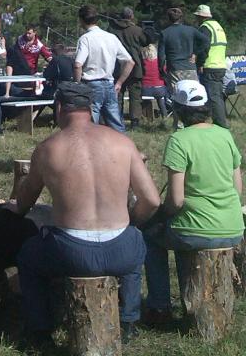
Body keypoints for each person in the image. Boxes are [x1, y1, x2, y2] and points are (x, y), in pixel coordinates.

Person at [15, 82, 161, 347]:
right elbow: (152, 200)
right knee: (135, 247)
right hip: (121, 250)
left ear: (60, 107)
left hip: (70, 252)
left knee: (28, 257)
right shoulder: (123, 143)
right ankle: (128, 321)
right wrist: (131, 223)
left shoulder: (48, 148)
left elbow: (23, 204)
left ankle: (40, 330)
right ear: (91, 108)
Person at [143, 79, 243, 325]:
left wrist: (160, 215)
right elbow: (238, 188)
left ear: (178, 110)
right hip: (232, 227)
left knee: (150, 237)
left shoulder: (179, 140)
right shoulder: (225, 134)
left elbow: (176, 201)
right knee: (177, 234)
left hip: (195, 229)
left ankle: (159, 306)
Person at [73, 4, 135, 132]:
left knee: (90, 125)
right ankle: (122, 143)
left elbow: (78, 64)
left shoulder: (85, 39)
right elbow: (130, 62)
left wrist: (77, 85)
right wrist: (119, 83)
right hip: (109, 83)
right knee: (116, 123)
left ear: (81, 20)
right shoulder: (111, 37)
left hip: (91, 84)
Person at [158, 7, 209, 127]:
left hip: (175, 69)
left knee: (178, 98)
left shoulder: (165, 33)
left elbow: (161, 56)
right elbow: (206, 41)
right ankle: (196, 121)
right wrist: (196, 53)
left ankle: (179, 124)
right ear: (181, 18)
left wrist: (161, 70)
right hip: (190, 68)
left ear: (168, 18)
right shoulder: (191, 30)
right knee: (194, 95)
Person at [108, 7, 149, 130]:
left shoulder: (112, 30)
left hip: (117, 66)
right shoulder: (136, 30)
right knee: (135, 95)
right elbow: (145, 42)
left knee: (118, 94)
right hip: (135, 66)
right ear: (131, 16)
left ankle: (116, 119)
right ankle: (135, 121)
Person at [194, 3, 228, 128]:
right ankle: (219, 120)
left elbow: (204, 46)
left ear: (201, 17)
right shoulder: (218, 26)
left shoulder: (205, 27)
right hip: (220, 65)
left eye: (197, 17)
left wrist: (200, 63)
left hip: (210, 65)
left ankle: (220, 124)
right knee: (217, 96)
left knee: (213, 97)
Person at [140, 43, 169, 118]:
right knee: (161, 99)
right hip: (159, 89)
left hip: (145, 89)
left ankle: (146, 117)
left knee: (145, 100)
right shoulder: (160, 62)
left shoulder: (141, 62)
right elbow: (165, 72)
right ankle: (165, 116)